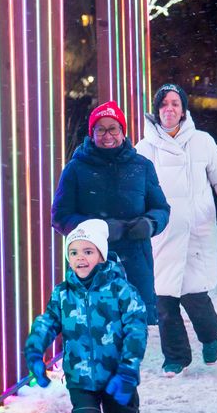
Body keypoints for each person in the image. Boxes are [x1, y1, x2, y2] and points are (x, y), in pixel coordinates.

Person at [24, 219, 147, 413]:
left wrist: (128, 369)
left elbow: (136, 329)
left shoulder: (121, 290)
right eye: (74, 252)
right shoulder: (63, 293)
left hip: (118, 373)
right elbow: (48, 321)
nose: (81, 258)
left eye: (88, 252)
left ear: (101, 255)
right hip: (81, 375)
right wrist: (35, 349)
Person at [136, 83, 217, 376]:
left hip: (198, 230)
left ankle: (210, 335)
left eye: (175, 103)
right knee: (164, 298)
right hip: (162, 233)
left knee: (195, 294)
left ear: (183, 110)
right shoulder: (144, 148)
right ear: (157, 111)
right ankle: (176, 357)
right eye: (163, 104)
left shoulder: (202, 142)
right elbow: (132, 189)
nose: (169, 109)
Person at [51, 100, 170, 324]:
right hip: (92, 262)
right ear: (92, 133)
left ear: (122, 132)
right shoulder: (76, 169)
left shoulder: (142, 166)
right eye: (101, 129)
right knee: (95, 328)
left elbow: (161, 209)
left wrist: (150, 223)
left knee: (132, 331)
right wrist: (99, 230)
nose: (107, 135)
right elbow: (60, 216)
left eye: (113, 128)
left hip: (135, 262)